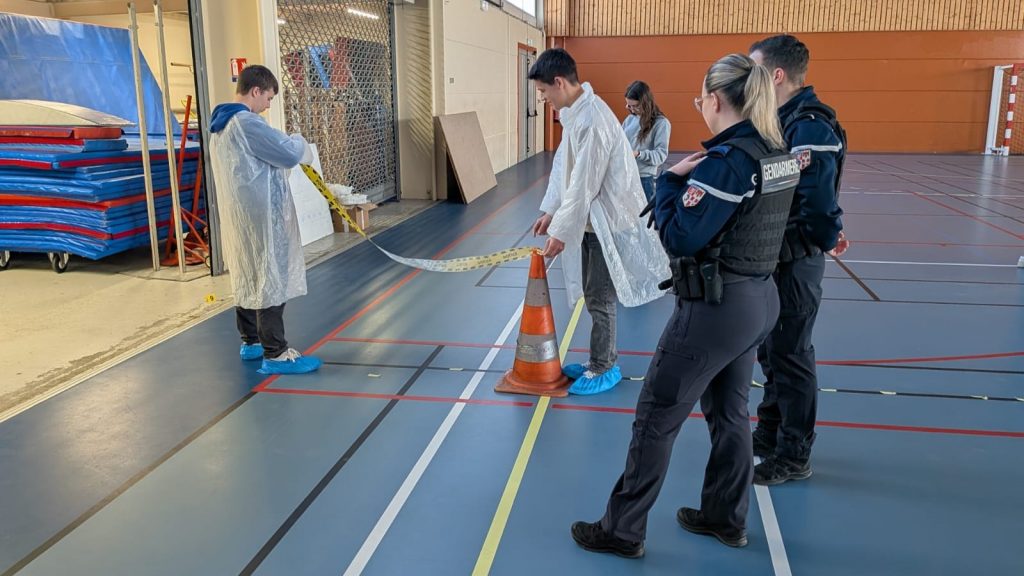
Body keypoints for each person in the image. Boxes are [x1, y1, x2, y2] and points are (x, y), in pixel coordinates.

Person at [572, 53, 799, 558]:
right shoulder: (777, 153)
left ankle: (622, 529)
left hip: (716, 309)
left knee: (655, 416)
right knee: (730, 412)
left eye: (701, 100)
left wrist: (673, 181)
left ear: (715, 101)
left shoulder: (729, 163)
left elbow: (679, 236)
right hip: (759, 300)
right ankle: (725, 517)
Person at [529, 48, 669, 396]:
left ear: (559, 82)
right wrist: (551, 210)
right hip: (592, 220)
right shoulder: (575, 115)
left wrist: (561, 232)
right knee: (594, 294)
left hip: (608, 221)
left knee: (601, 297)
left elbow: (584, 184)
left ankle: (604, 366)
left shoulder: (592, 119)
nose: (543, 99)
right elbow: (564, 168)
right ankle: (597, 359)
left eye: (543, 91)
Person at [749, 35, 848, 485]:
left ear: (776, 75)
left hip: (795, 262)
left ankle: (794, 453)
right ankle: (770, 432)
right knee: (771, 352)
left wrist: (825, 238)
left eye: (754, 70)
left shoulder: (809, 126)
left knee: (791, 355)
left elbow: (818, 203)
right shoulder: (779, 120)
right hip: (773, 258)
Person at [209, 64, 322, 375]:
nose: (268, 105)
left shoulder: (221, 125)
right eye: (268, 98)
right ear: (255, 91)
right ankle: (276, 353)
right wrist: (298, 141)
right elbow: (288, 154)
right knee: (270, 276)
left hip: (241, 215)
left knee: (248, 272)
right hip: (263, 215)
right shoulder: (247, 123)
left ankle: (251, 341)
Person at [623, 81, 671, 201]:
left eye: (635, 106)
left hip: (644, 179)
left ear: (645, 102)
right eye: (629, 106)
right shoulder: (629, 119)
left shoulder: (661, 123)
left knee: (644, 213)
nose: (632, 110)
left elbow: (661, 155)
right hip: (626, 176)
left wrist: (638, 154)